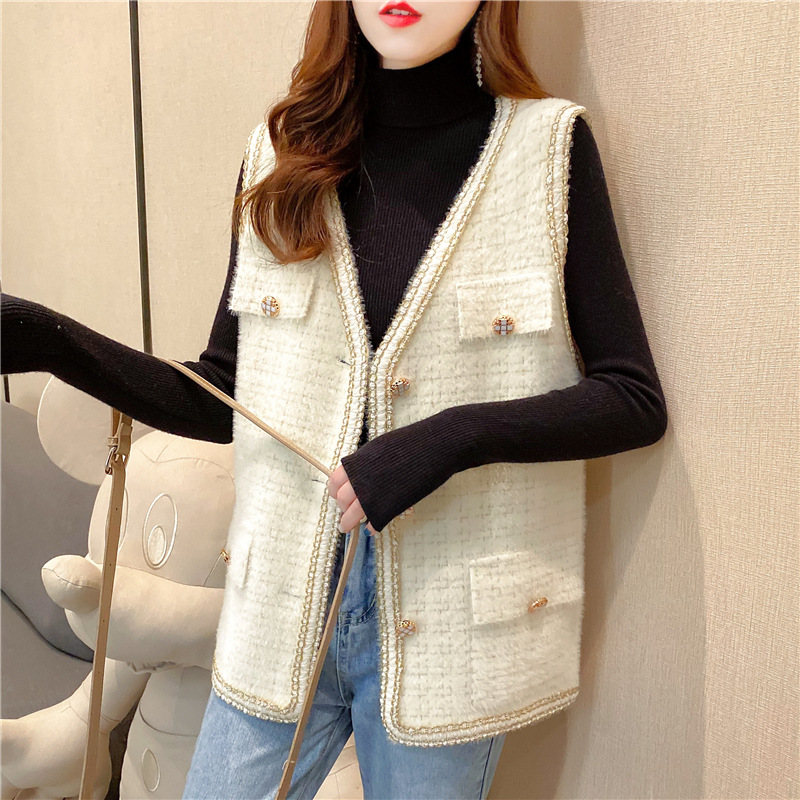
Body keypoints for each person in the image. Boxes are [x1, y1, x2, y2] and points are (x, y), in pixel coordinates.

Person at [1, 1, 668, 797]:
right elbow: (223, 392)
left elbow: (631, 397)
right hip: (278, 609)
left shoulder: (548, 151)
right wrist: (50, 341)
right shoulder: (279, 155)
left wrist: (445, 440)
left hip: (451, 631)